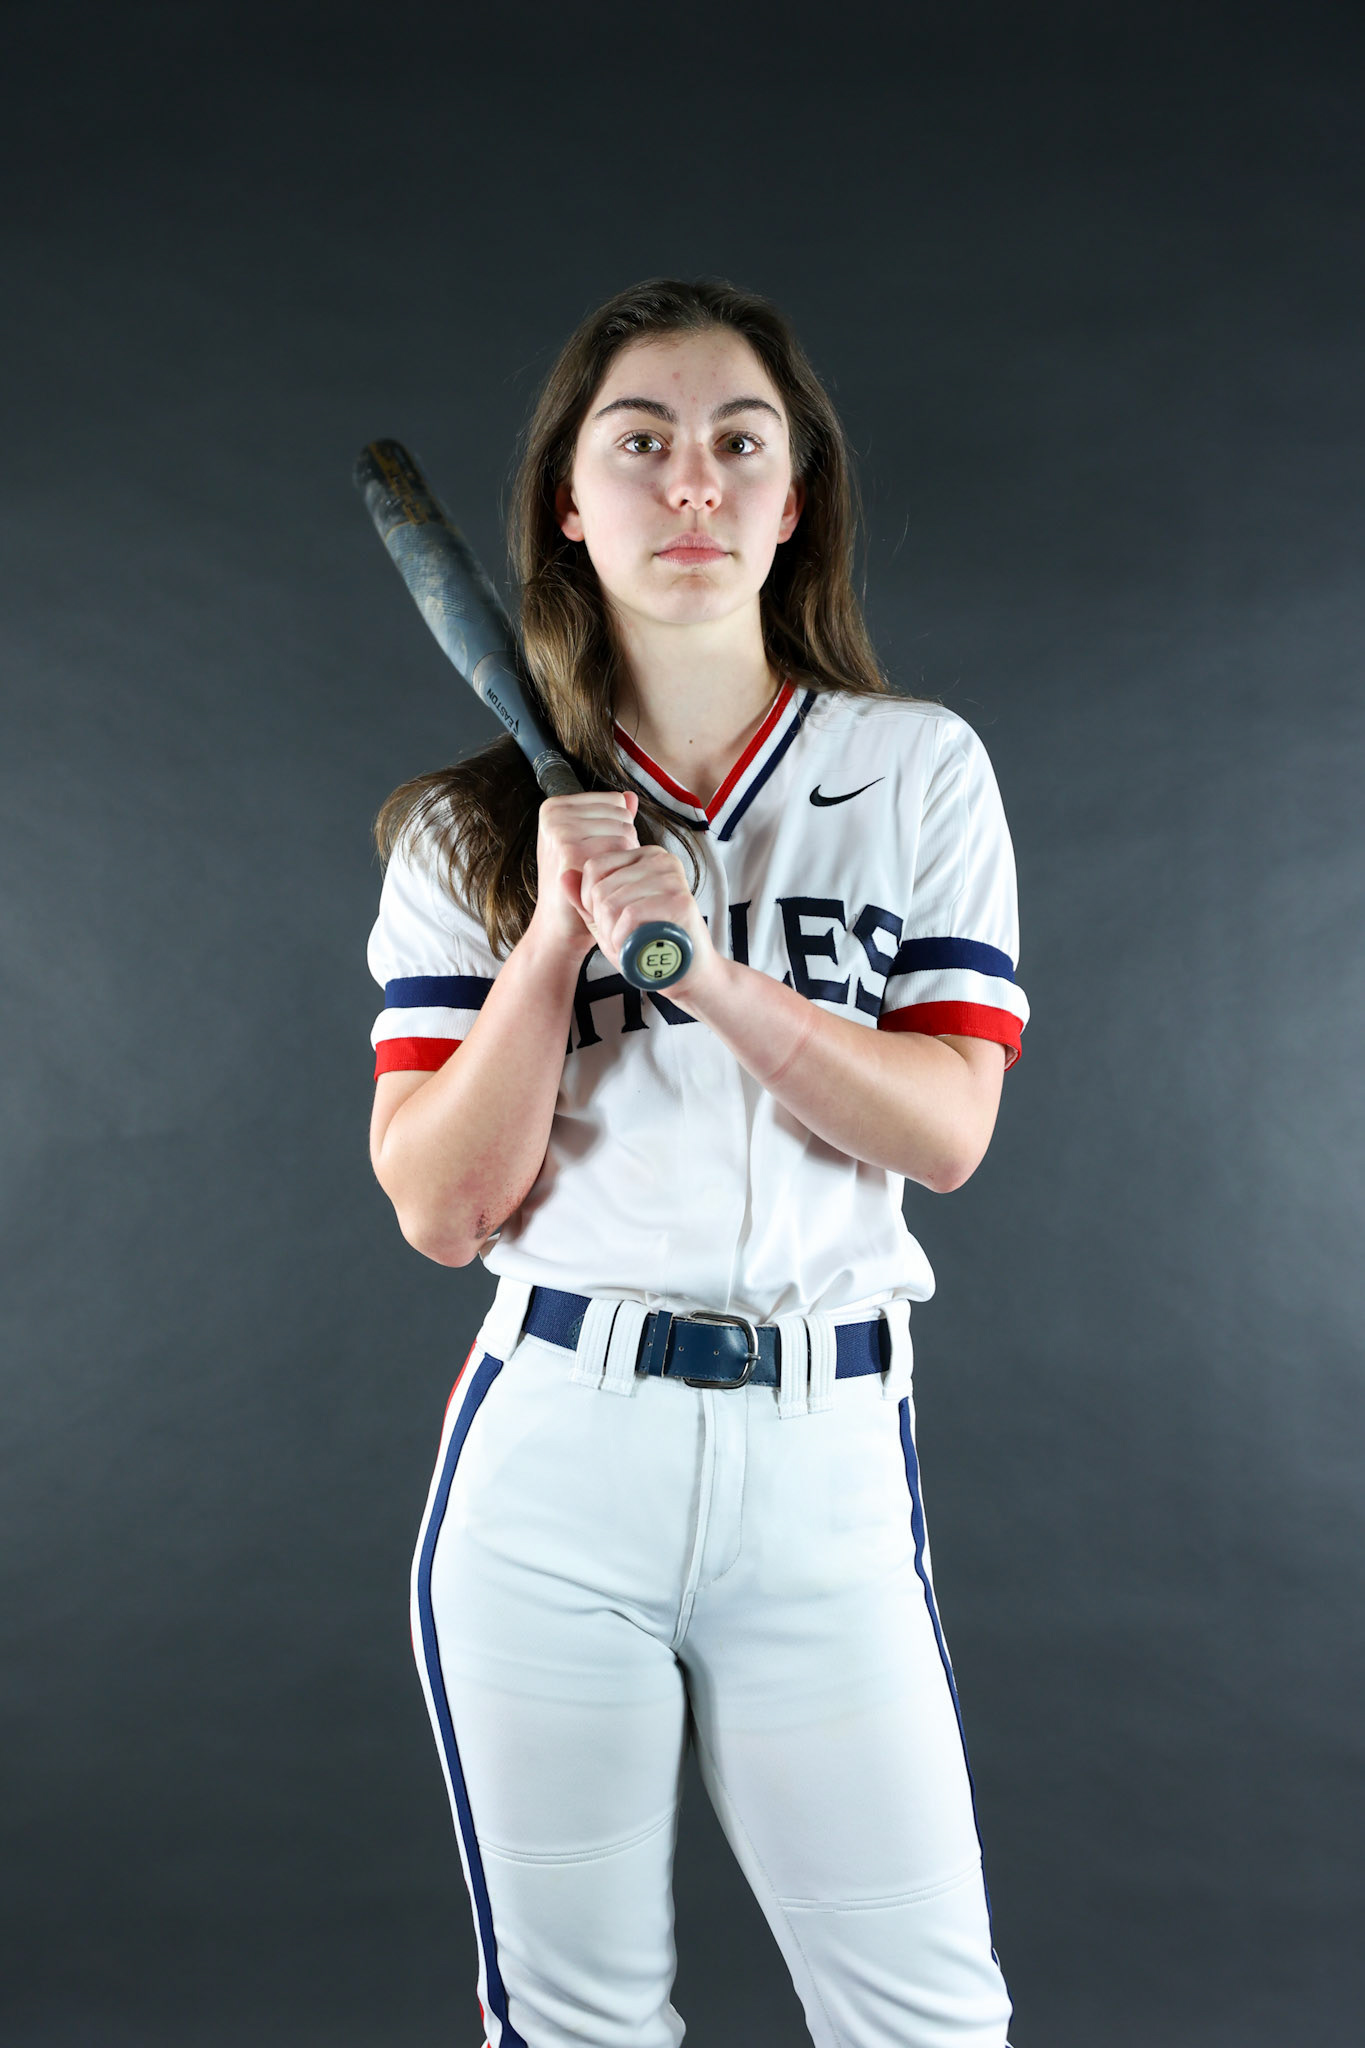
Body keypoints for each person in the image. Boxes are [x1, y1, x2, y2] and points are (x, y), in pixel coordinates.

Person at [366, 277, 1028, 2048]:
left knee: (927, 2022)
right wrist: (551, 945)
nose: (690, 485)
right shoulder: (465, 830)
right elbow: (440, 1207)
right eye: (638, 444)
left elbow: (946, 1133)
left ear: (790, 497)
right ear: (567, 508)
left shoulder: (912, 773)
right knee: (577, 2028)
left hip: (824, 1461)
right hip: (557, 1455)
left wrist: (702, 973)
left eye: (737, 444)